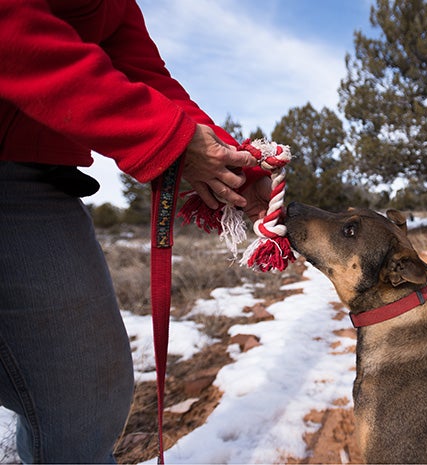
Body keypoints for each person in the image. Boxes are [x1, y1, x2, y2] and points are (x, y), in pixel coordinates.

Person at [0, 1, 271, 462]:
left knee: (82, 390)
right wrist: (170, 138)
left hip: (34, 181)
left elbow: (143, 71)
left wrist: (232, 167)